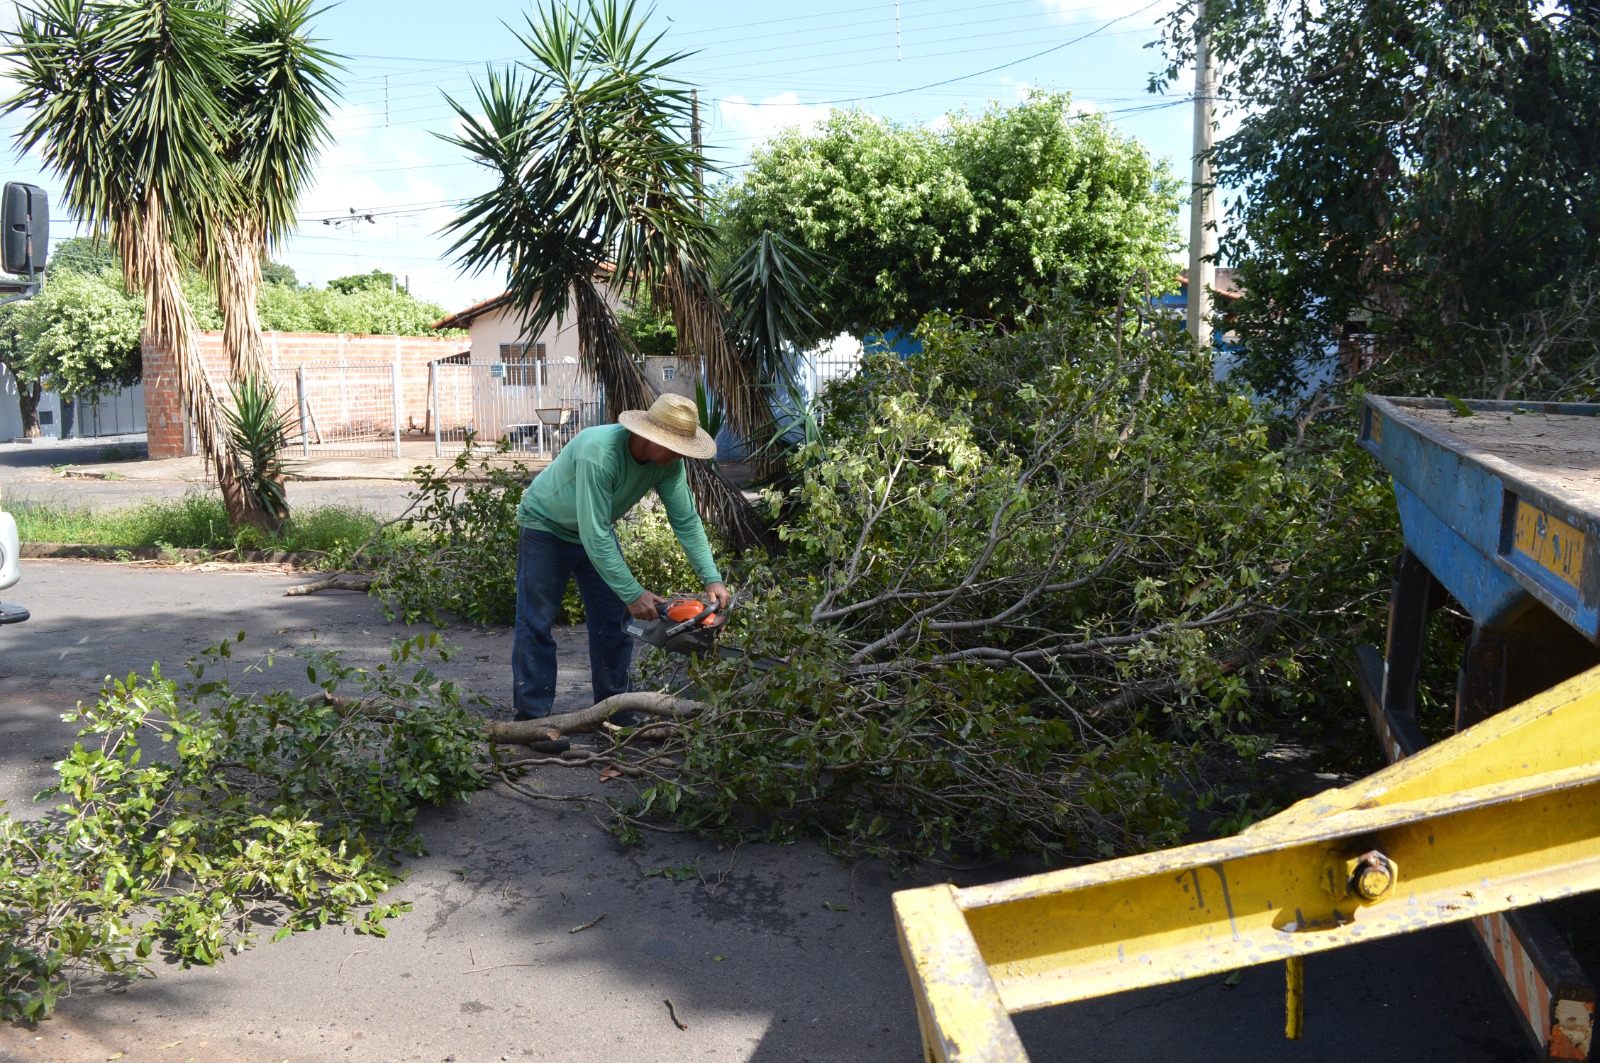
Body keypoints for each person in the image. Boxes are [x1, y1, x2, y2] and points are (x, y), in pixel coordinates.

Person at [512, 392, 730, 722]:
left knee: (614, 622)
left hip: (593, 530)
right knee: (536, 623)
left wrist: (711, 576)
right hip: (545, 527)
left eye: (680, 449)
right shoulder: (599, 452)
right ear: (646, 434)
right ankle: (532, 719)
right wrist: (632, 592)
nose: (675, 455)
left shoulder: (668, 464)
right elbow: (594, 531)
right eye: (670, 446)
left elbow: (685, 520)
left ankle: (614, 708)